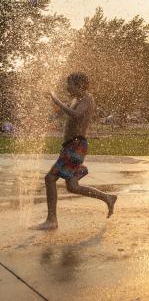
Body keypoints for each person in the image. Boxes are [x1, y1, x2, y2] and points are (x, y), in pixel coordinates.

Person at [32, 72, 117, 230]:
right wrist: (52, 102)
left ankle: (52, 220)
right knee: (72, 186)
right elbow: (64, 114)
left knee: (50, 178)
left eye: (69, 84)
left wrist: (56, 99)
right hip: (72, 145)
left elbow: (77, 116)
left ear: (80, 85)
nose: (67, 87)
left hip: (76, 146)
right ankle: (108, 198)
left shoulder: (87, 99)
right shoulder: (75, 100)